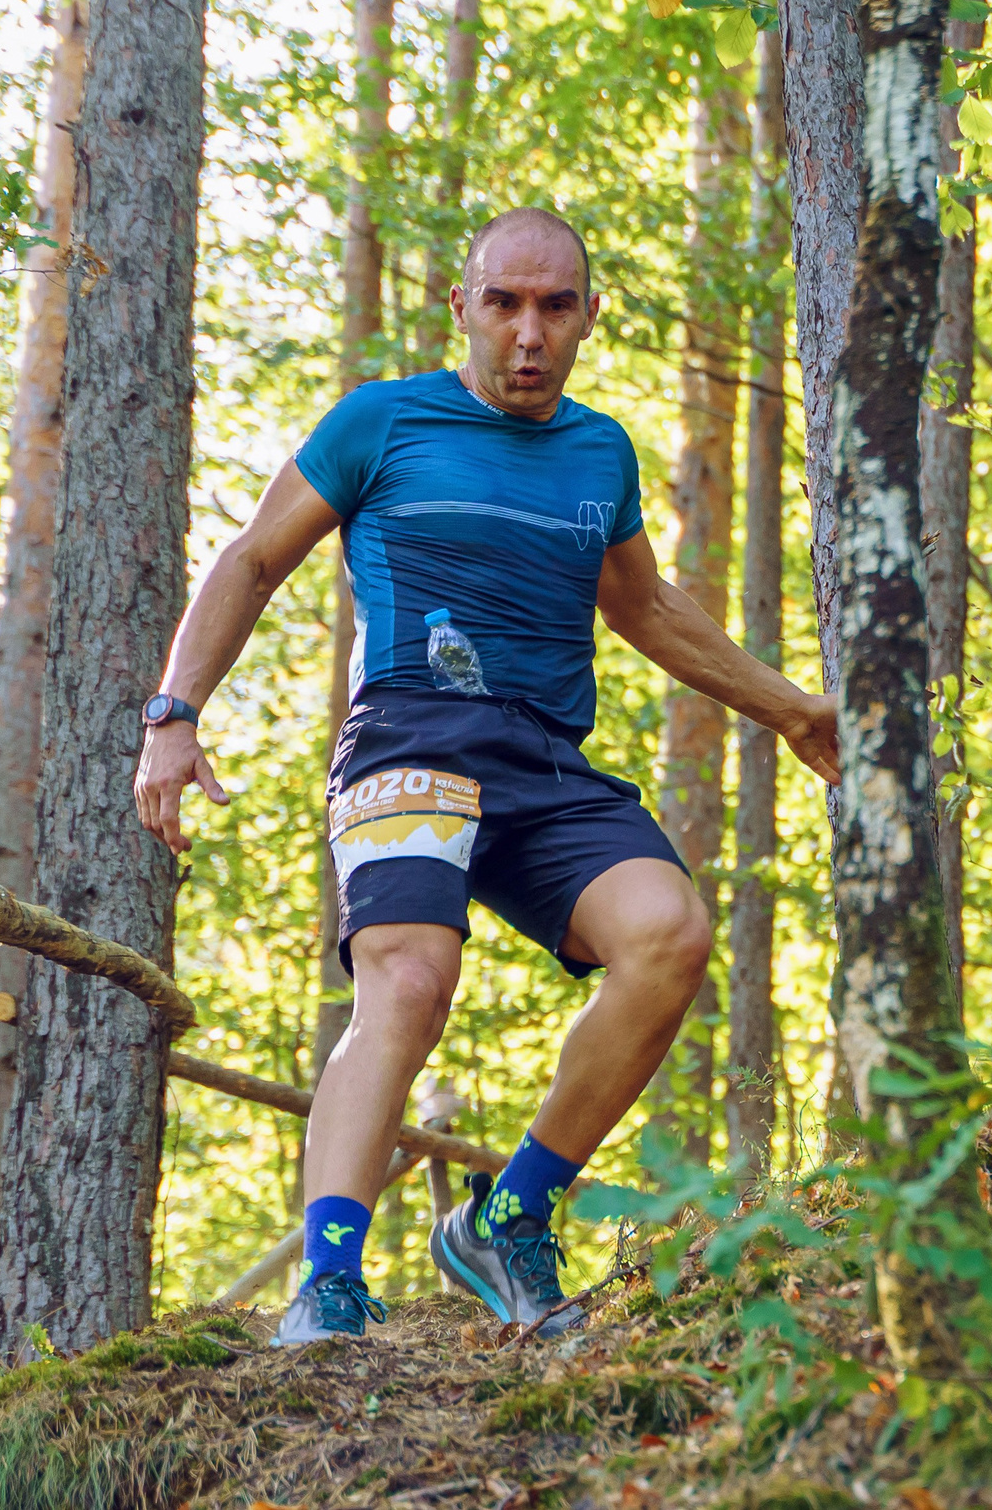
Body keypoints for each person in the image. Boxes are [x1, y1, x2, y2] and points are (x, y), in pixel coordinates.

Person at [133, 206, 839, 1347]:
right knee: (408, 980)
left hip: (544, 758)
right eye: (504, 303)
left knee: (667, 933)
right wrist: (173, 713)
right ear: (460, 308)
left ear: (587, 318)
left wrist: (795, 710)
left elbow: (644, 608)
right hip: (409, 736)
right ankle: (327, 1283)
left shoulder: (599, 452)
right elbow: (254, 555)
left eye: (554, 307)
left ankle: (509, 1213)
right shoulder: (384, 421)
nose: (528, 332)